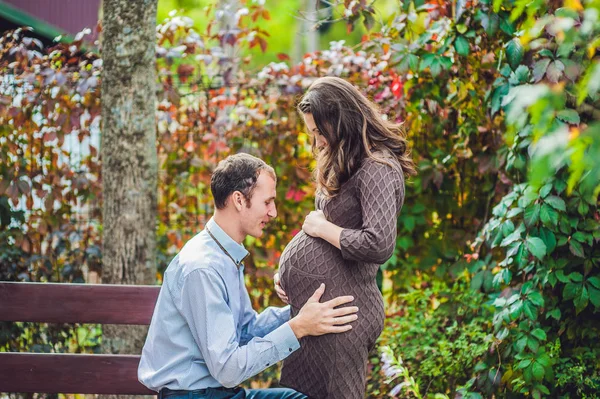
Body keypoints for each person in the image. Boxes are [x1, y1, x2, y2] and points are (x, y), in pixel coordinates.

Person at [138, 153, 360, 399]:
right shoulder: (202, 268)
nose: (273, 212)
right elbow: (228, 370)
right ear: (239, 200)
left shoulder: (223, 256)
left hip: (215, 392)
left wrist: (301, 310)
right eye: (267, 202)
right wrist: (297, 328)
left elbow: (245, 330)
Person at [275, 76, 416, 399]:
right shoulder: (344, 159)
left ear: (341, 121)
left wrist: (323, 229)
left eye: (319, 132)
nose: (317, 141)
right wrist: (287, 275)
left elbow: (379, 242)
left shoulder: (378, 167)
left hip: (343, 316)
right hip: (314, 315)